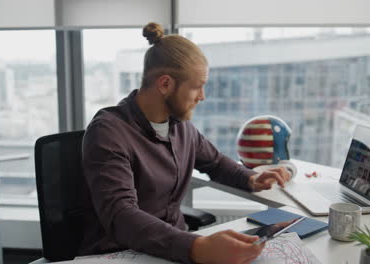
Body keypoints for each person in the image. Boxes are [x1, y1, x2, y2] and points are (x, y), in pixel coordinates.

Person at [80, 22, 291, 264]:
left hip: (172, 249)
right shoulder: (109, 132)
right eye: (197, 87)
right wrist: (197, 247)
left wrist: (251, 178)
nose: (203, 96)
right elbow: (121, 216)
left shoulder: (180, 127)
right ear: (165, 84)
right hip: (121, 252)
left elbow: (215, 162)